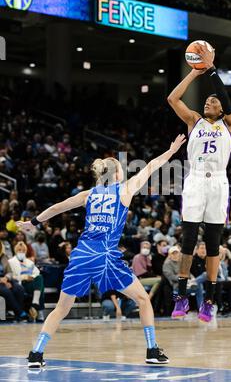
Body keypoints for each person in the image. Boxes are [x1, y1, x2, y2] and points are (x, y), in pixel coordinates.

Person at [17, 134, 186, 368]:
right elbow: (151, 166)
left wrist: (32, 223)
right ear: (116, 174)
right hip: (105, 255)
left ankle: (36, 354)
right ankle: (152, 350)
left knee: (61, 308)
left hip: (82, 254)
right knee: (142, 299)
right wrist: (171, 150)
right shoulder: (124, 190)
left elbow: (57, 207)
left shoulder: (88, 195)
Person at [167, 43, 231, 322]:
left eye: (214, 101)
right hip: (195, 180)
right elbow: (173, 99)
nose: (208, 102)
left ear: (222, 109)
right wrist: (195, 73)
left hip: (219, 183)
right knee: (187, 240)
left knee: (212, 244)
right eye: (206, 100)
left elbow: (226, 99)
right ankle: (181, 297)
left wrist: (211, 72)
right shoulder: (194, 120)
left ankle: (209, 300)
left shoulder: (230, 124)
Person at [8, 242, 45, 321]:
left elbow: (37, 272)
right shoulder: (11, 262)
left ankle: (35, 303)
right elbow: (11, 276)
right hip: (20, 283)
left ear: (25, 251)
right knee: (40, 287)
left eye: (23, 250)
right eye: (19, 250)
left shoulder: (29, 262)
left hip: (31, 282)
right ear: (15, 251)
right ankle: (39, 310)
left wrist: (31, 277)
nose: (21, 252)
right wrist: (24, 277)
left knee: (39, 278)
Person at [163, 246, 202, 315]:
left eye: (176, 253)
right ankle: (192, 282)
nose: (175, 255)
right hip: (178, 286)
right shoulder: (167, 264)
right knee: (197, 284)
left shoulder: (181, 262)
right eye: (173, 254)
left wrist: (192, 278)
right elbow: (172, 277)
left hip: (187, 284)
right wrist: (182, 277)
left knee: (199, 287)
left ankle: (201, 310)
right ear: (169, 255)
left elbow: (189, 273)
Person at [0, 241, 27, 321]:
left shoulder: (4, 257)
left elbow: (10, 272)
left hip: (5, 279)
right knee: (6, 291)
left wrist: (6, 278)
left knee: (19, 288)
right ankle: (20, 312)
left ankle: (17, 316)